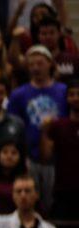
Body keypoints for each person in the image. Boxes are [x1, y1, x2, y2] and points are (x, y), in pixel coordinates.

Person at [8, 45, 68, 211]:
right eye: (32, 64)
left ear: (50, 64)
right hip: (30, 157)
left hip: (58, 158)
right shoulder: (18, 94)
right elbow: (14, 126)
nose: (35, 68)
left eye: (40, 63)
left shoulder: (63, 91)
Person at [42, 79, 79, 220]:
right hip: (63, 191)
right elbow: (46, 157)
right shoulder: (58, 125)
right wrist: (45, 132)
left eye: (78, 94)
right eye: (71, 94)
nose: (76, 98)